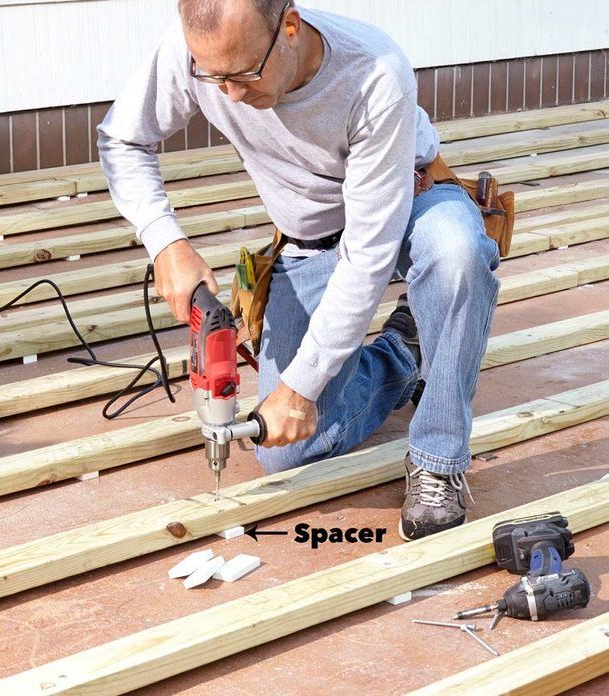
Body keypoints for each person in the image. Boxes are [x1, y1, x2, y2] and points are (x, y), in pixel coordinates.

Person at [97, 0, 501, 540]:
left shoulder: (373, 70)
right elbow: (123, 139)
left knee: (455, 251)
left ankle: (438, 457)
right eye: (213, 78)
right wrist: (165, 240)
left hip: (408, 203)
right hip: (309, 235)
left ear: (288, 26)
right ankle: (405, 352)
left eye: (243, 74)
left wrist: (301, 386)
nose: (231, 95)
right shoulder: (196, 52)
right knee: (289, 453)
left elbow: (369, 253)